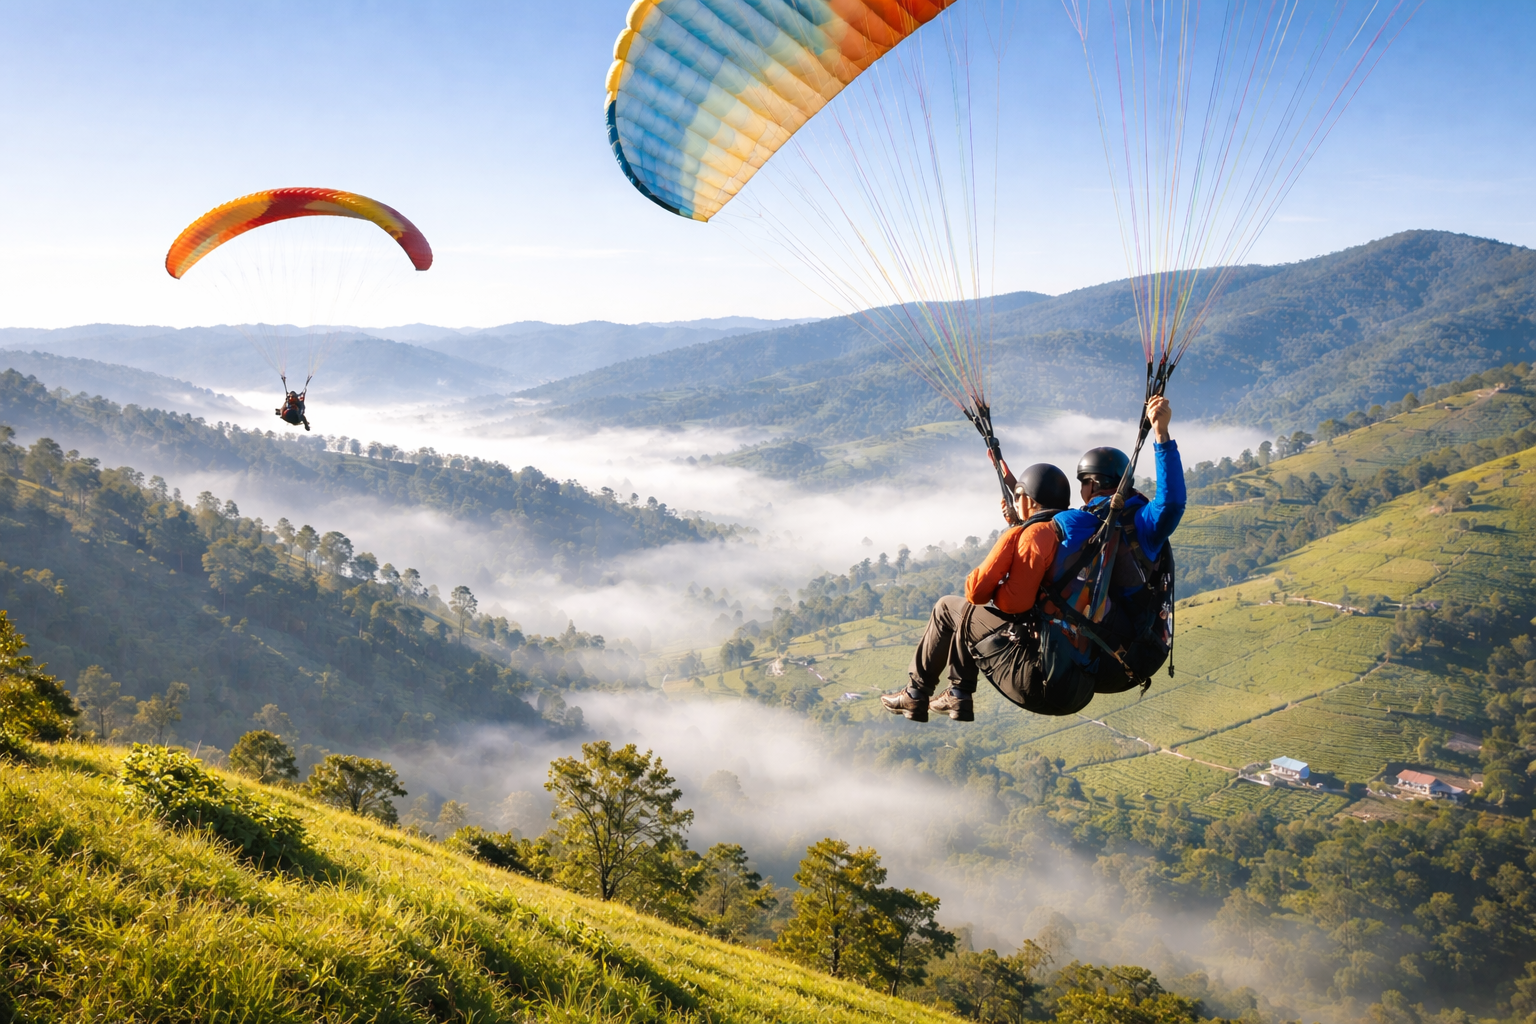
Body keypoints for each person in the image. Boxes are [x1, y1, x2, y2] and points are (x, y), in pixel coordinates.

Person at [882, 462, 1075, 723]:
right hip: (1070, 649)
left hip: (1033, 646)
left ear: (1030, 501)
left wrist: (1012, 537)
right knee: (966, 612)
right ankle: (953, 692)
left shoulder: (1027, 536)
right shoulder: (1072, 532)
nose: (1015, 502)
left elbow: (980, 593)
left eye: (1019, 497)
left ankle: (920, 693)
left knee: (948, 608)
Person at [1045, 394, 1184, 694]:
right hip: (1112, 650)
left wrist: (1161, 435)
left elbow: (1171, 504)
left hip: (1125, 651)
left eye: (1082, 482)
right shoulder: (1091, 521)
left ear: (1093, 484)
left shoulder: (1140, 523)